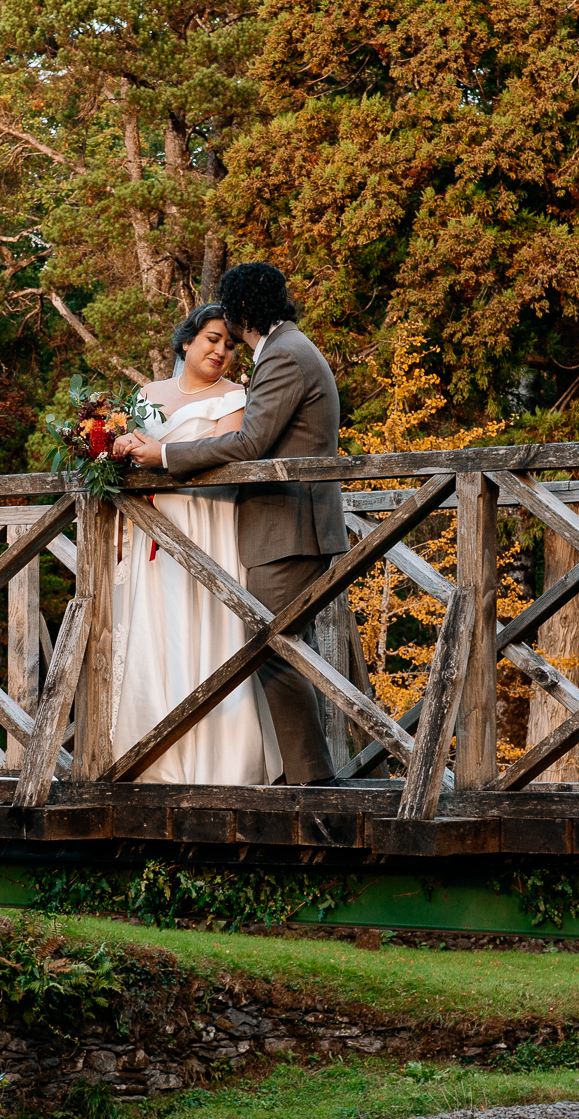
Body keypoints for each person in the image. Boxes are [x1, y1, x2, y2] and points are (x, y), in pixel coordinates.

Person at [113, 263, 346, 785]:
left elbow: (250, 444)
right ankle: (305, 773)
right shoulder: (286, 349)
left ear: (242, 311)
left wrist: (164, 455)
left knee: (270, 643)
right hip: (283, 524)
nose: (224, 345)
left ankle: (310, 778)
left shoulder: (285, 355)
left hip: (290, 524)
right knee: (280, 646)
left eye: (229, 329)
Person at [108, 303, 282, 786]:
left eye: (229, 345)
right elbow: (133, 450)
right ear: (186, 341)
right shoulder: (146, 394)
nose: (220, 351)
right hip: (152, 528)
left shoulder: (235, 400)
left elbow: (221, 462)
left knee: (207, 628)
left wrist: (154, 457)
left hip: (206, 524)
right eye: (211, 339)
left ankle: (219, 762)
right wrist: (119, 448)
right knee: (157, 629)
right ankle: (150, 758)